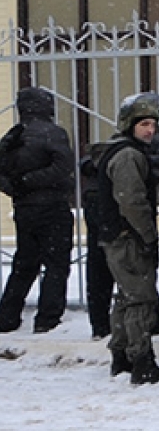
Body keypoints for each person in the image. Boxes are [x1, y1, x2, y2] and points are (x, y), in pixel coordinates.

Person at [86, 92, 159, 384]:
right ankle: (142, 362)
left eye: (153, 124)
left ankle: (121, 356)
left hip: (116, 235)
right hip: (128, 237)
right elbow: (132, 201)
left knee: (126, 298)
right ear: (130, 125)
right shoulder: (128, 155)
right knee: (140, 298)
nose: (150, 130)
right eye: (144, 125)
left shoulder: (118, 150)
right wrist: (148, 235)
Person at [0, 87, 76, 335]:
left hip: (24, 208)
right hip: (52, 207)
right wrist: (31, 182)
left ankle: (7, 316)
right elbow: (63, 167)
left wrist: (17, 188)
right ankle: (48, 318)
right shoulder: (53, 133)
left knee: (25, 263)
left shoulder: (13, 136)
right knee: (56, 264)